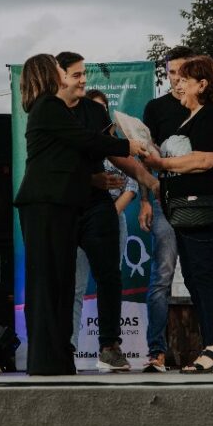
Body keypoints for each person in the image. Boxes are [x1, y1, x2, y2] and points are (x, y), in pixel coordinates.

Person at [14, 54, 146, 376]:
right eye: (60, 68)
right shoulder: (48, 106)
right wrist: (126, 145)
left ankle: (57, 356)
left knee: (59, 281)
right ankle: (46, 358)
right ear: (50, 72)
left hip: (60, 206)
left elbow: (75, 152)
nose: (68, 74)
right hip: (44, 204)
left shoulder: (53, 108)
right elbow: (85, 140)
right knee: (47, 282)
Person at [54, 53, 155, 372]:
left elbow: (113, 149)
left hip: (98, 206)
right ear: (60, 76)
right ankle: (61, 347)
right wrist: (87, 178)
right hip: (65, 205)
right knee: (66, 282)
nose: (83, 80)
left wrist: (144, 176)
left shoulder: (94, 111)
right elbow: (50, 166)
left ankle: (109, 346)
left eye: (84, 74)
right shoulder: (49, 114)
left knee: (109, 275)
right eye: (76, 75)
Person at [142, 55, 213, 373]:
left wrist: (162, 165)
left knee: (206, 275)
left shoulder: (211, 116)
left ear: (203, 84)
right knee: (197, 279)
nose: (178, 84)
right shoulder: (191, 118)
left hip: (207, 210)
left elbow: (204, 160)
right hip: (186, 211)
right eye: (177, 77)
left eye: (185, 79)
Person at [70, 89, 141, 364]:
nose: (95, 116)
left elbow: (132, 182)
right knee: (75, 286)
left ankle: (109, 347)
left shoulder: (115, 144)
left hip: (111, 216)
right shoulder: (76, 142)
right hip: (80, 212)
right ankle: (70, 348)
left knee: (109, 278)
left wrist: (109, 212)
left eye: (100, 110)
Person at [139, 45, 197, 372]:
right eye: (172, 73)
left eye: (183, 72)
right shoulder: (156, 108)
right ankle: (156, 353)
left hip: (202, 203)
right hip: (164, 202)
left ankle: (212, 350)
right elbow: (144, 157)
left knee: (200, 276)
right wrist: (146, 200)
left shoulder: (206, 107)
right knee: (161, 277)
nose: (177, 80)